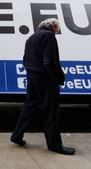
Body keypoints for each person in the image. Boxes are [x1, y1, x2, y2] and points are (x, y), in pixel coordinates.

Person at [10, 18, 75, 155]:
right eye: (57, 29)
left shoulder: (31, 38)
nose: (56, 32)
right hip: (45, 78)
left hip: (32, 77)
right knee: (50, 111)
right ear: (52, 26)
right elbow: (49, 60)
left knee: (29, 106)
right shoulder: (48, 36)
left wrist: (32, 72)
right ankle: (55, 145)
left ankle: (16, 136)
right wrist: (55, 76)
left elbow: (24, 60)